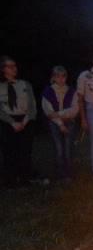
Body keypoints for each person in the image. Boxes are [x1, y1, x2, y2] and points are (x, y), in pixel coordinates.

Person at [0, 56, 37, 188]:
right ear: (3, 69)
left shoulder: (25, 84)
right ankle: (9, 180)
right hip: (7, 121)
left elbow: (32, 106)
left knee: (25, 151)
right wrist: (12, 122)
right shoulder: (1, 87)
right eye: (10, 66)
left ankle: (24, 179)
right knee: (9, 152)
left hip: (25, 120)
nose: (14, 68)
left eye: (15, 66)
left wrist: (24, 121)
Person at [41, 66, 79, 181]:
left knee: (68, 149)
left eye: (63, 76)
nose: (61, 79)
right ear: (53, 77)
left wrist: (59, 113)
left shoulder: (71, 91)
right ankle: (60, 174)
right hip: (55, 124)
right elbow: (48, 111)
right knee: (59, 149)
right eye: (58, 76)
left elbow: (74, 110)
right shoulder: (48, 91)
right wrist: (60, 123)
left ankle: (68, 174)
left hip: (69, 122)